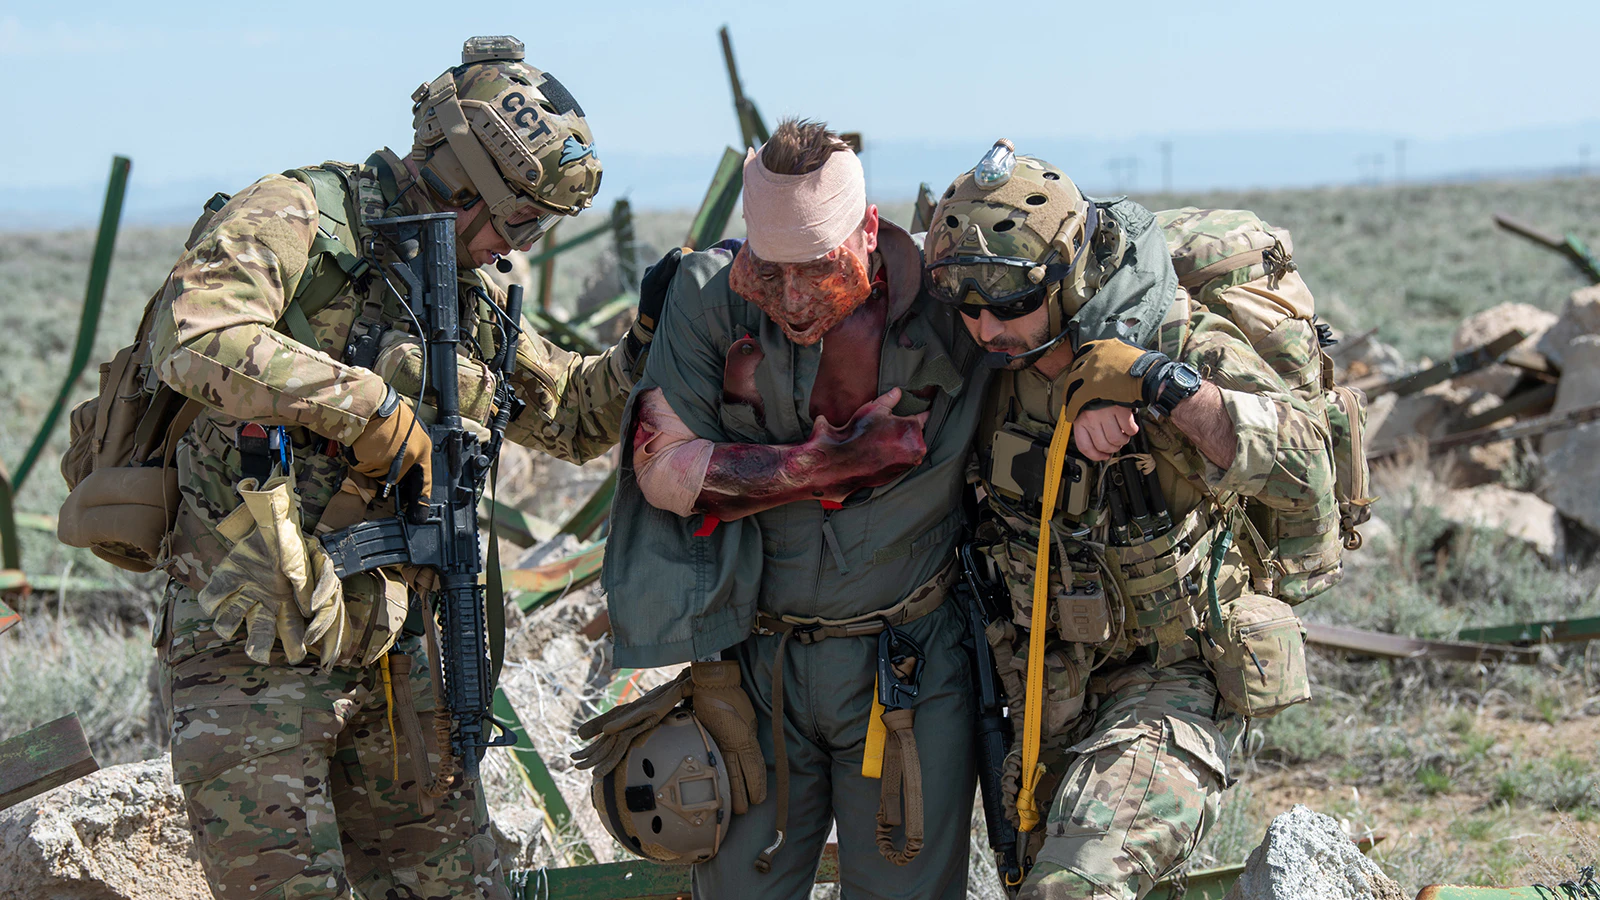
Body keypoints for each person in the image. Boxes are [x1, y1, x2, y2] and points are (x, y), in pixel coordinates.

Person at [144, 36, 657, 900]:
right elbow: (193, 338)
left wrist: (649, 340)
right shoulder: (297, 215)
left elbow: (571, 418)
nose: (516, 245)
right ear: (461, 178)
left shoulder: (462, 284)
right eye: (517, 218)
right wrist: (371, 409)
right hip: (251, 645)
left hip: (393, 646)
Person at [583, 118, 989, 899]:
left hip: (906, 664)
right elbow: (664, 469)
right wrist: (826, 464)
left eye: (817, 270)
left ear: (868, 232)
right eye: (769, 275)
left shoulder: (950, 302)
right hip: (754, 671)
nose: (794, 300)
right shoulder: (708, 300)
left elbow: (1094, 281)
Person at [923, 142, 1334, 899]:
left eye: (1012, 304)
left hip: (1176, 674)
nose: (988, 330)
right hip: (1049, 688)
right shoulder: (986, 369)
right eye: (969, 308)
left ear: (1068, 273)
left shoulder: (1172, 339)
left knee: (1075, 885)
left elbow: (1309, 469)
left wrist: (1165, 388)